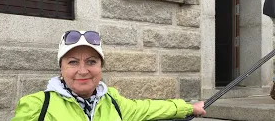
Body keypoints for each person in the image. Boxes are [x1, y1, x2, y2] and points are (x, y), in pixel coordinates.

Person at [11, 30, 206, 121]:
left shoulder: (113, 101)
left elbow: (148, 108)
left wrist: (189, 107)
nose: (83, 70)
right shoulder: (37, 106)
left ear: (101, 67)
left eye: (91, 61)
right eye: (72, 62)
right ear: (60, 69)